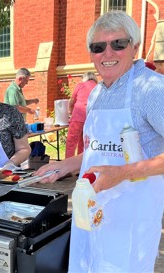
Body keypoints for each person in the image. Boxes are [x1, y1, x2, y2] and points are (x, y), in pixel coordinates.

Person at [36, 11, 164, 272]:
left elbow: (120, 164)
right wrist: (66, 165)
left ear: (135, 46)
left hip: (131, 223)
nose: (107, 54)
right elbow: (98, 150)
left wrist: (123, 173)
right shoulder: (95, 94)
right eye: (98, 47)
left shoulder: (152, 89)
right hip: (91, 214)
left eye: (118, 44)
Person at [65, 72, 98, 158]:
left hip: (78, 116)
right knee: (84, 143)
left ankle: (68, 166)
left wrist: (71, 112)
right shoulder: (98, 87)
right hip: (91, 118)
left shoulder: (81, 85)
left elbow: (71, 102)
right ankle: (81, 165)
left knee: (71, 142)